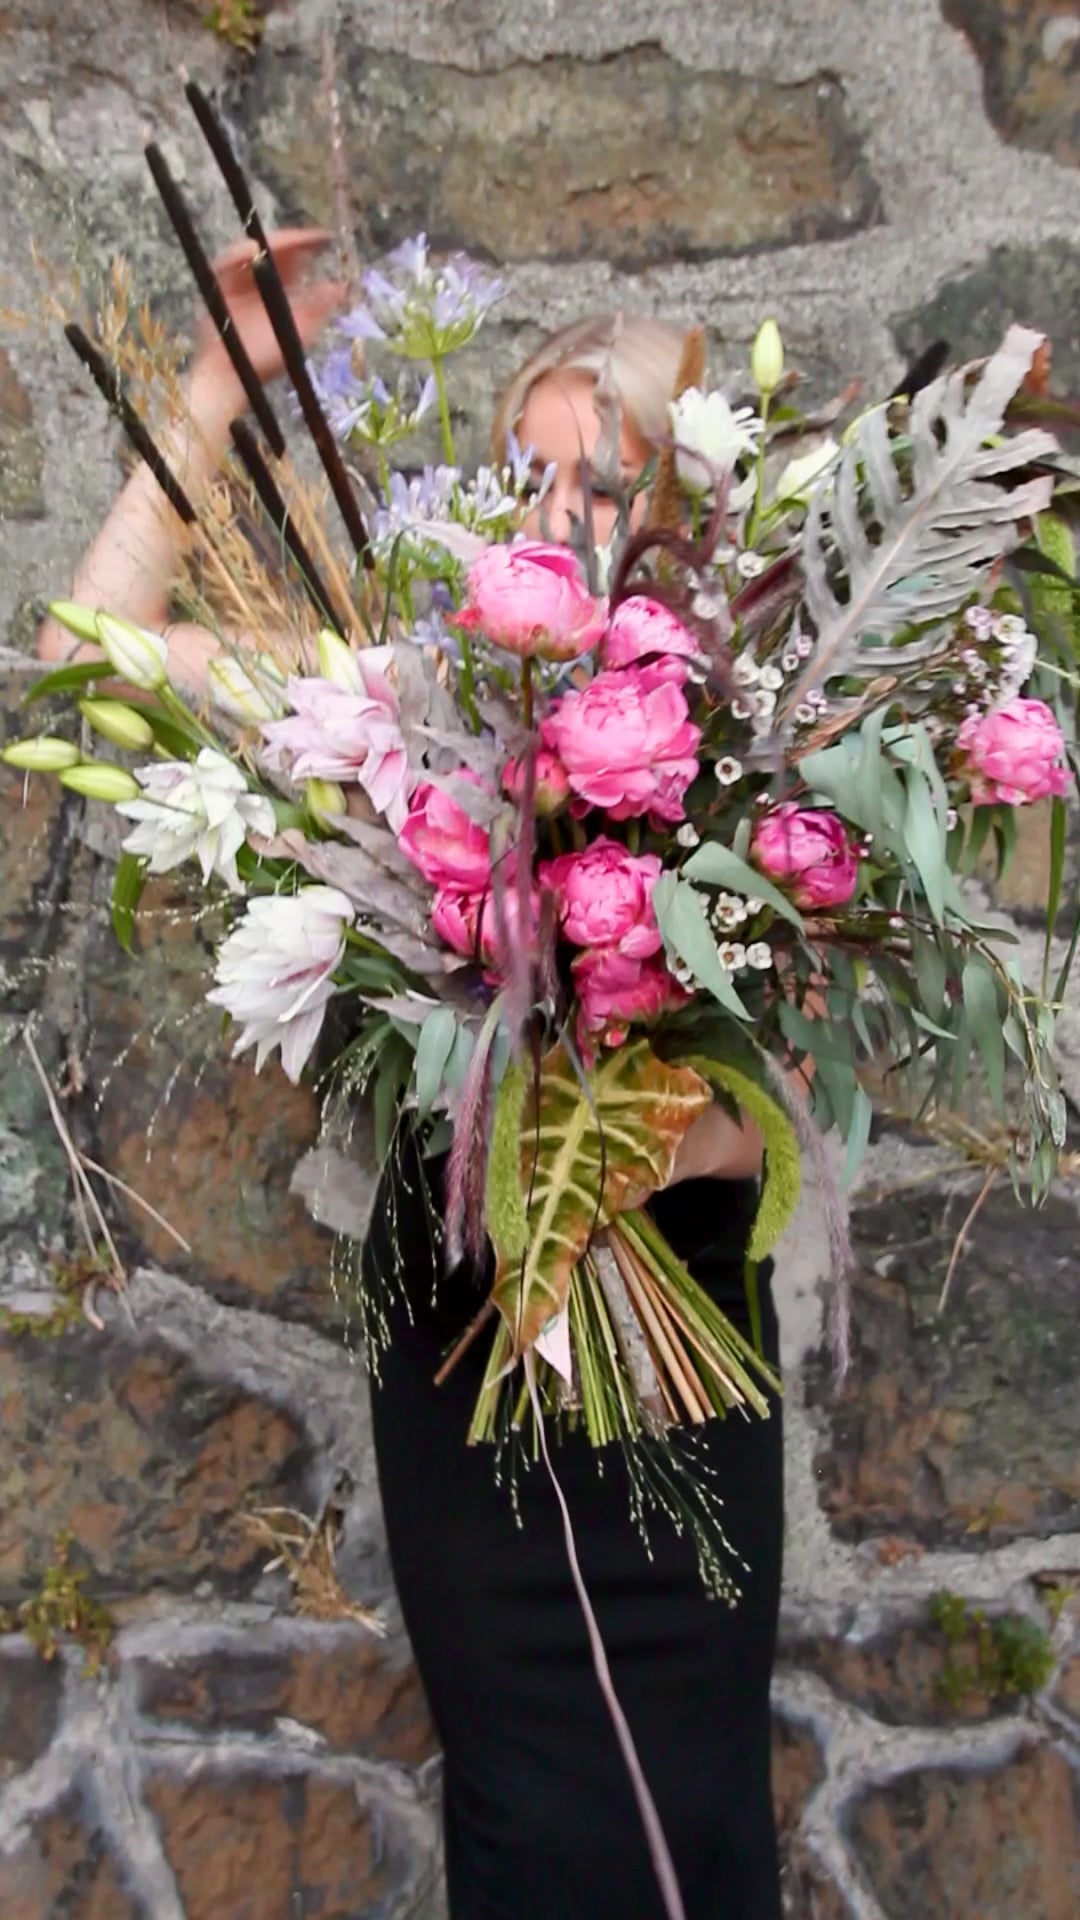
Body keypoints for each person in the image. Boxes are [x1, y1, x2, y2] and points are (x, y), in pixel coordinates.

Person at [39, 234, 785, 1920]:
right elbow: (92, 648)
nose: (551, 519)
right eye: (527, 478)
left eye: (598, 481)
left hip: (670, 1372)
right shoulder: (400, 710)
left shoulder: (758, 755)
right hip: (465, 1364)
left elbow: (769, 1109)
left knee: (687, 1835)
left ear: (695, 509)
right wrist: (221, 379)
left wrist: (629, 1133)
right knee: (527, 1829)